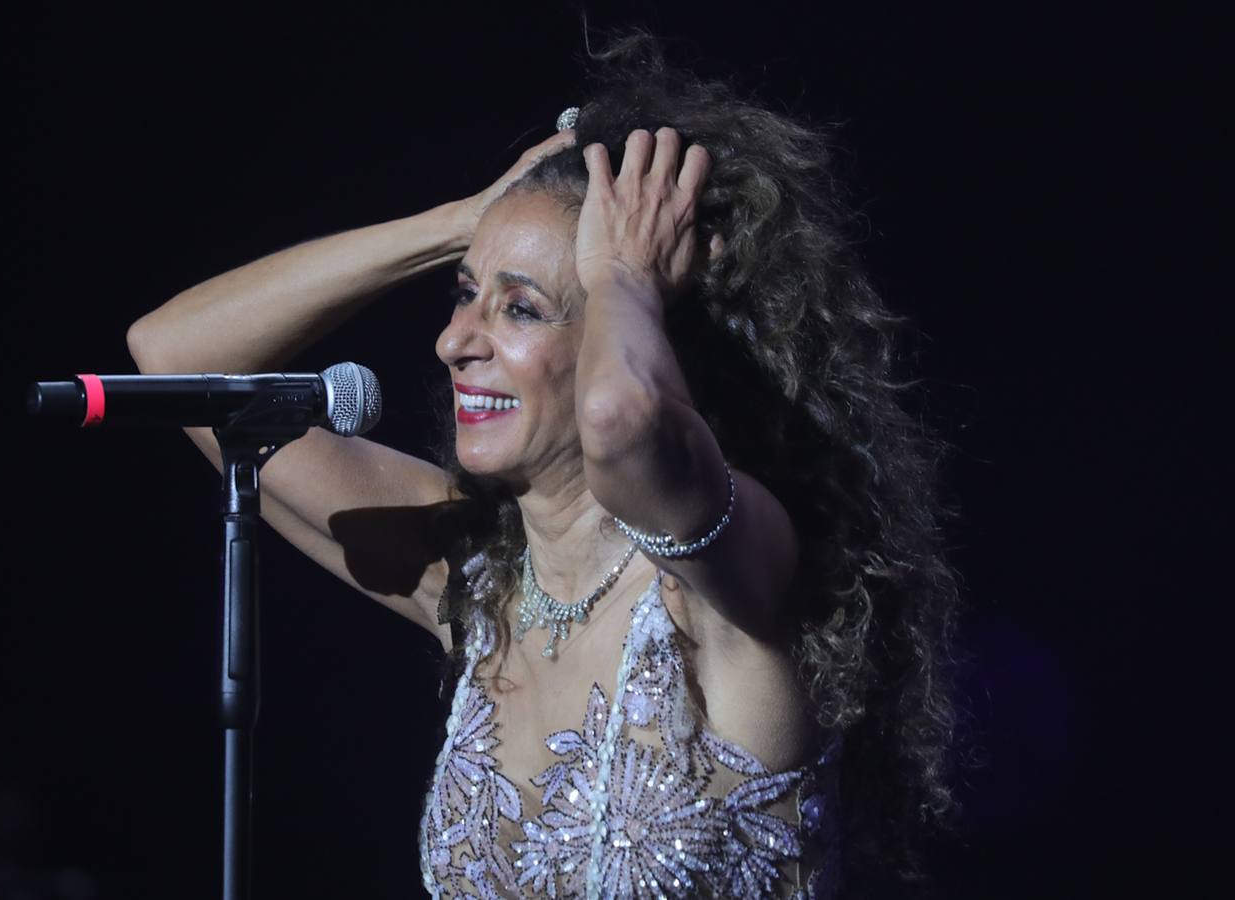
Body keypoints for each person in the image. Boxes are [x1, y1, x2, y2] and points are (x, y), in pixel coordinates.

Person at [127, 32, 960, 900]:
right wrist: (469, 218)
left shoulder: (734, 582)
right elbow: (175, 359)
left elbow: (621, 422)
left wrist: (624, 275)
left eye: (520, 308)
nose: (454, 341)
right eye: (463, 293)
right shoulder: (478, 583)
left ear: (643, 333)